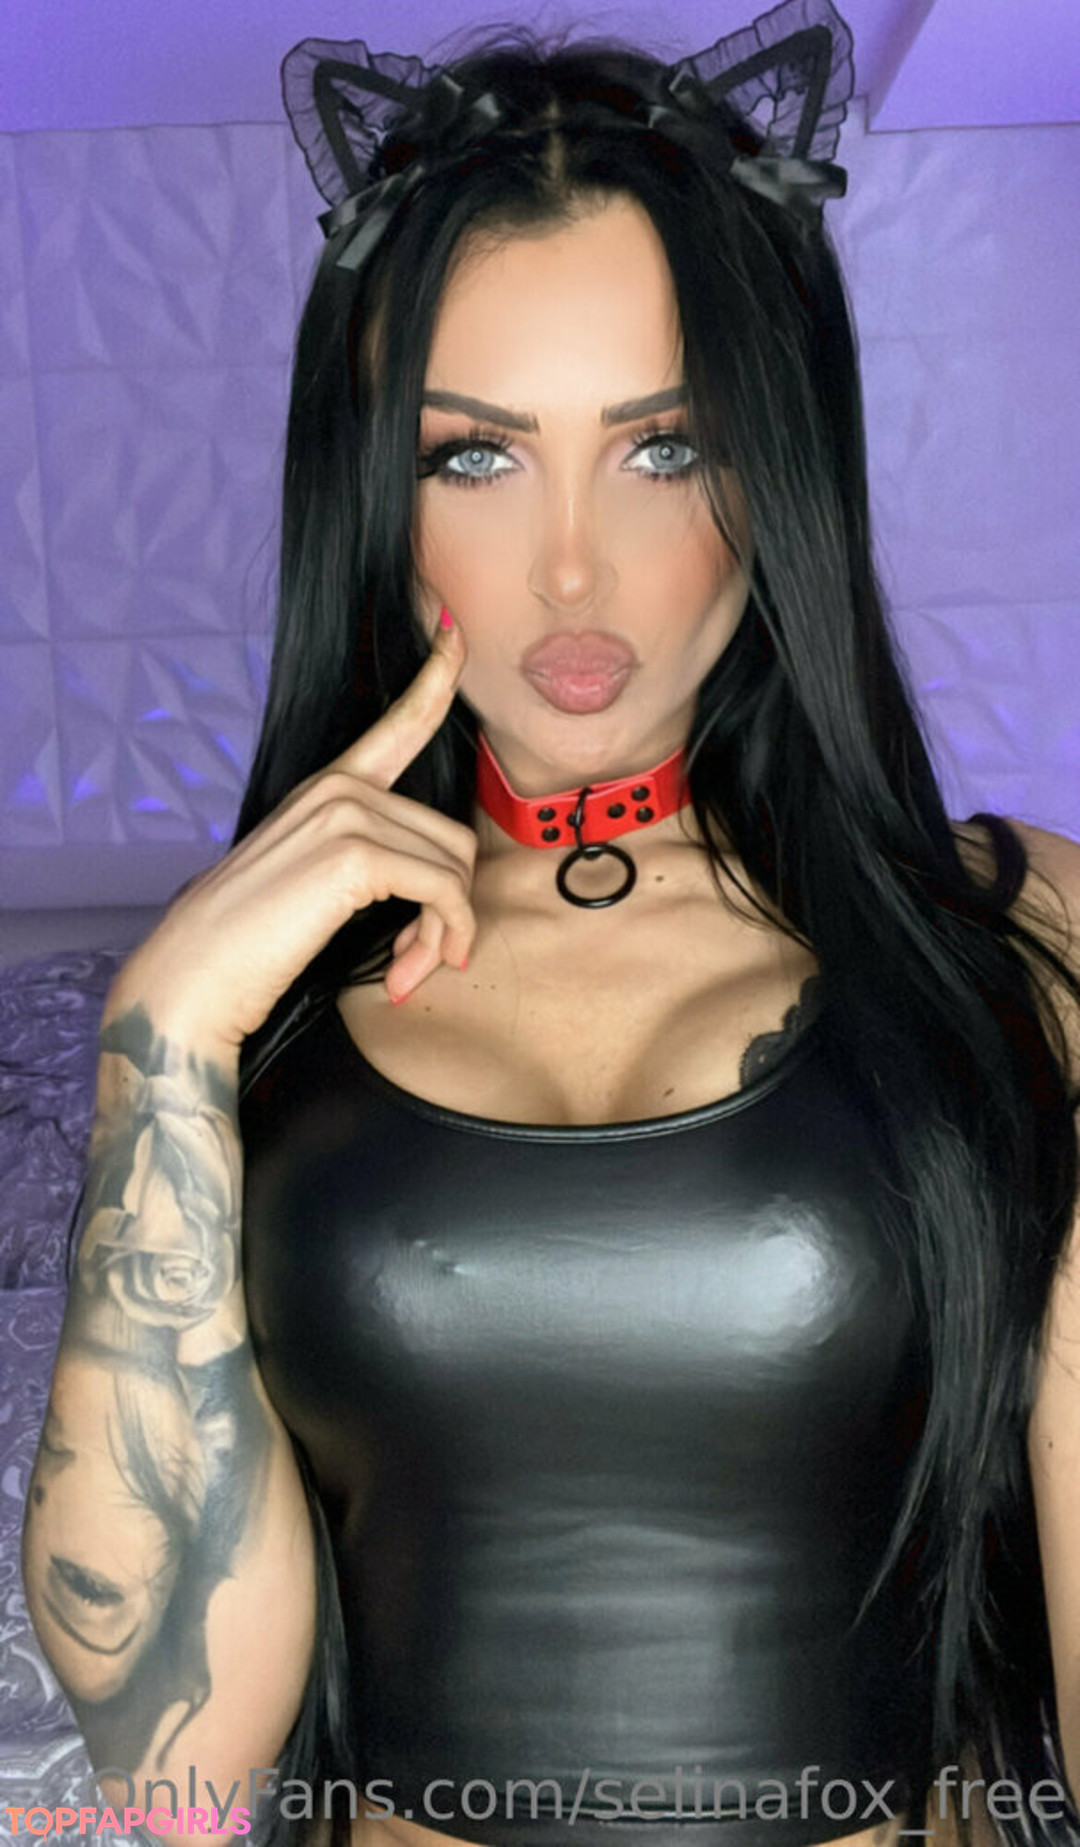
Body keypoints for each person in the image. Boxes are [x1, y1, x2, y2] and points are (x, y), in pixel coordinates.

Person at [22, 5, 1080, 1847]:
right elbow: (173, 1764)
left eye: (664, 450)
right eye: (477, 459)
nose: (573, 566)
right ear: (376, 493)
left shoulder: (1017, 937)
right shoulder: (253, 996)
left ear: (779, 473)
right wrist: (161, 1040)